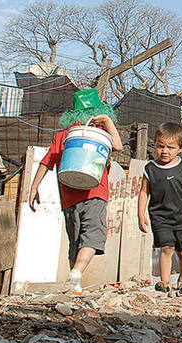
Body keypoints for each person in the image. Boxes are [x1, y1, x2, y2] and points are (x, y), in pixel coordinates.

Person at [28, 89, 123, 294]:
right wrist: (107, 121)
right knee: (92, 236)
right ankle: (77, 274)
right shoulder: (99, 132)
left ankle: (74, 282)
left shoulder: (62, 135)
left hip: (68, 196)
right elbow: (118, 146)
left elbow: (47, 162)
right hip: (95, 193)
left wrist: (34, 187)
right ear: (98, 111)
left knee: (75, 240)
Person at [138, 122, 182, 293]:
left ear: (180, 148)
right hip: (160, 217)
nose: (164, 151)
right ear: (155, 145)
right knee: (167, 247)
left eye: (170, 147)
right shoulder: (150, 169)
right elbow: (144, 193)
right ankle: (164, 282)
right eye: (160, 146)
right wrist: (141, 214)